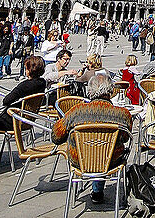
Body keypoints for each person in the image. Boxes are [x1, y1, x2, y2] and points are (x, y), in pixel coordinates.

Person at [53, 73, 133, 203]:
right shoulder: (122, 114)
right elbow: (125, 138)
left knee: (92, 151)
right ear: (111, 91)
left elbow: (56, 137)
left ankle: (95, 191)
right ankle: (98, 191)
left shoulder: (76, 111)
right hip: (110, 160)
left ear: (89, 91)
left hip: (79, 159)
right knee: (104, 151)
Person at [0, 55, 48, 164]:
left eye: (26, 68)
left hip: (14, 120)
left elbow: (6, 101)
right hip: (28, 120)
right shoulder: (42, 83)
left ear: (30, 69)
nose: (25, 71)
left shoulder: (25, 86)